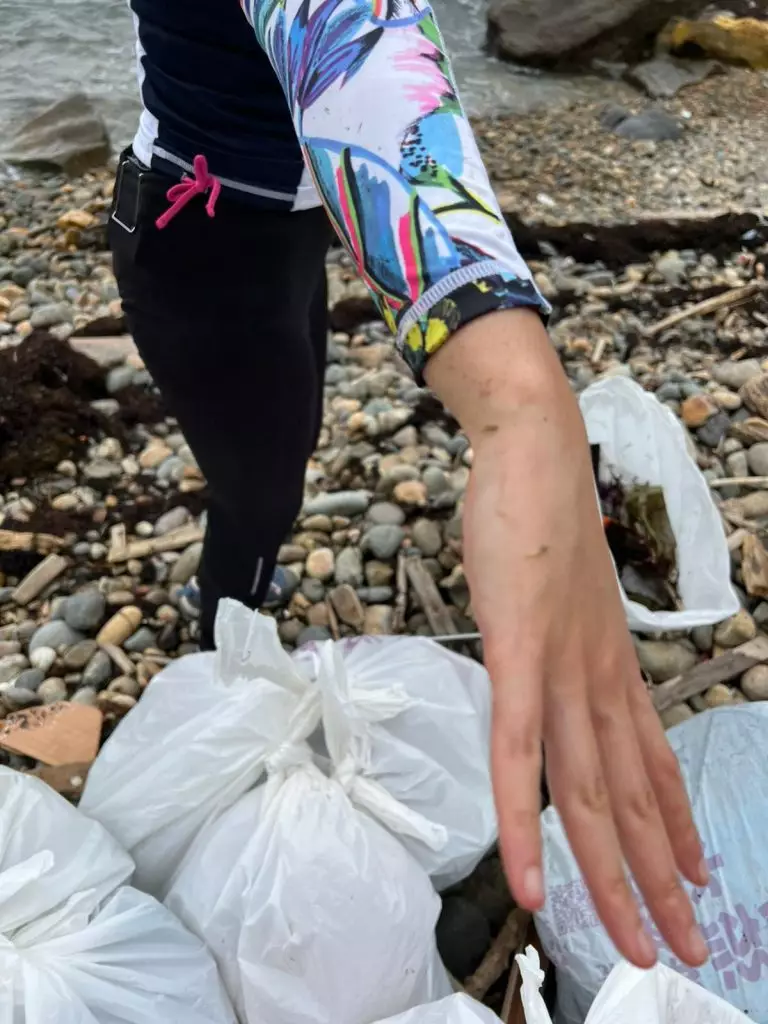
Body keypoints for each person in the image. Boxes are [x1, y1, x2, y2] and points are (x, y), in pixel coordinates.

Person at [113, 0, 710, 977]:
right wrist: (517, 397)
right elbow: (340, 24)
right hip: (198, 236)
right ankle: (226, 648)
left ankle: (241, 604)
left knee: (288, 436)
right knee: (260, 488)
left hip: (281, 224)